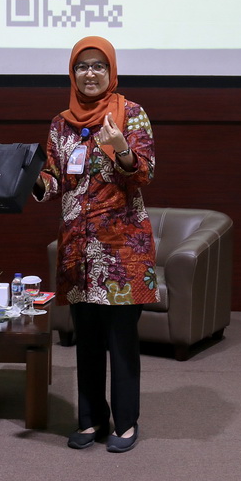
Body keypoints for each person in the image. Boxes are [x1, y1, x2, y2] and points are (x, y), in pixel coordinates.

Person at [33, 36, 157, 453]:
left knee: (121, 341)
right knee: (85, 339)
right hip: (77, 248)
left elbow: (145, 173)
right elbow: (54, 177)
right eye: (82, 66)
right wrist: (30, 179)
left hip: (122, 251)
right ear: (72, 72)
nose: (90, 73)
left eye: (98, 66)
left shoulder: (131, 113)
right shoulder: (60, 123)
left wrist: (121, 147)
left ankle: (126, 423)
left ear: (111, 71)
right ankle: (90, 420)